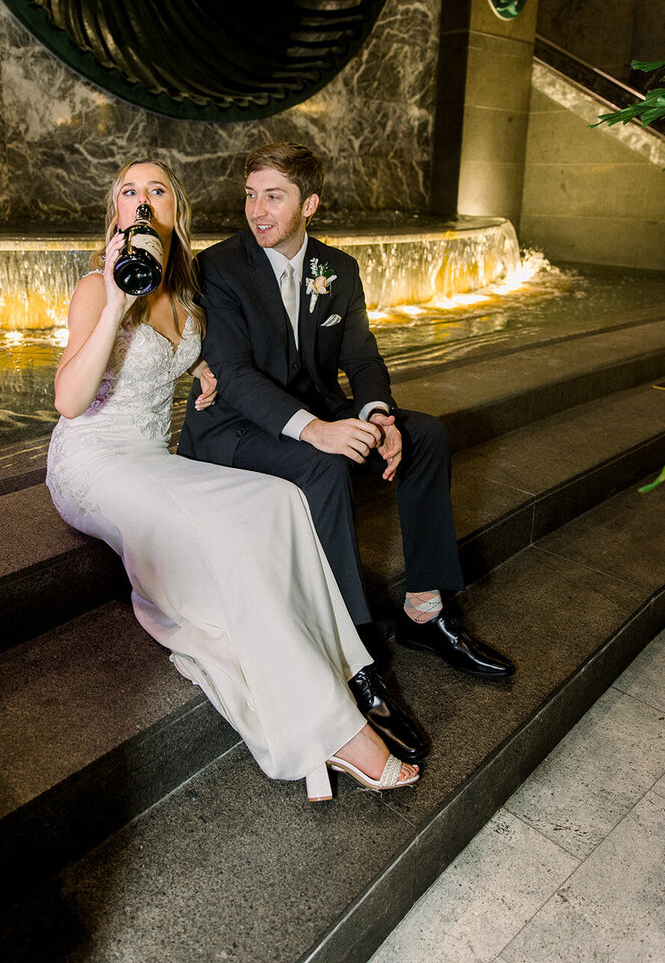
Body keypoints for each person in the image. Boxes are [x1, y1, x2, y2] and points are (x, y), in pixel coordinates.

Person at [45, 157, 419, 800]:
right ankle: (332, 729)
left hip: (152, 458)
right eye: (128, 191)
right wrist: (113, 300)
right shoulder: (95, 288)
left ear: (173, 213)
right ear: (117, 214)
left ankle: (341, 663)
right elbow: (69, 401)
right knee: (224, 530)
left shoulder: (189, 301)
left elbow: (185, 358)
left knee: (278, 500)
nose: (140, 199)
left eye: (155, 189)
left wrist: (199, 373)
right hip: (92, 463)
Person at [179, 142, 515, 760]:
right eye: (250, 194)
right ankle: (352, 655)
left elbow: (360, 357)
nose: (257, 209)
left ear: (310, 203)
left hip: (315, 408)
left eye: (273, 195)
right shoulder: (218, 268)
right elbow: (233, 371)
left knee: (426, 435)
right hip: (233, 427)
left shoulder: (339, 268)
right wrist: (315, 429)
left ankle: (425, 610)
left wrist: (375, 415)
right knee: (325, 464)